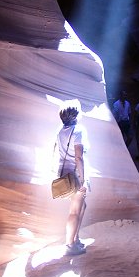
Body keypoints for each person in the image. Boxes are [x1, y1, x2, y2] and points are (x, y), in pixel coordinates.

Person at [56, 105, 88, 255]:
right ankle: (70, 245)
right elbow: (78, 157)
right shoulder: (78, 131)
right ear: (75, 116)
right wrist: (83, 179)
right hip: (75, 174)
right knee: (75, 211)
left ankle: (75, 238)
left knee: (81, 207)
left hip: (65, 174)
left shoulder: (61, 131)